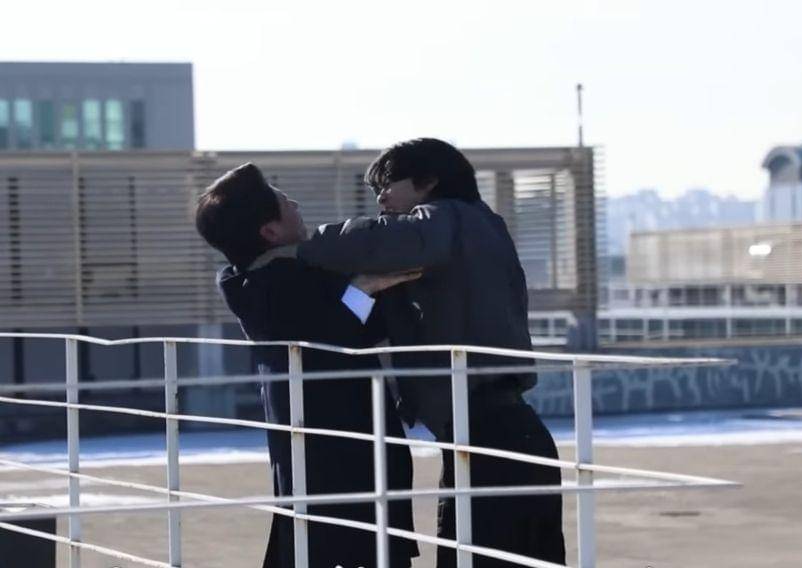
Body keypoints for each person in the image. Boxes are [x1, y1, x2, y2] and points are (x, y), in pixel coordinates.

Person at [298, 138, 566, 567]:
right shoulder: (484, 224)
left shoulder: (441, 220)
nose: (381, 199)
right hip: (505, 428)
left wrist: (302, 244)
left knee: (474, 554)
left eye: (388, 185)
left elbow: (373, 243)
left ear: (427, 181)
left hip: (485, 431)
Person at [195, 162, 419, 568]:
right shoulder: (267, 285)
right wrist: (363, 288)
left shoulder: (259, 278)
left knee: (323, 540)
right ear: (270, 231)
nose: (296, 204)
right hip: (335, 446)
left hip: (326, 445)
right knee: (342, 542)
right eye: (284, 202)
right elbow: (331, 336)